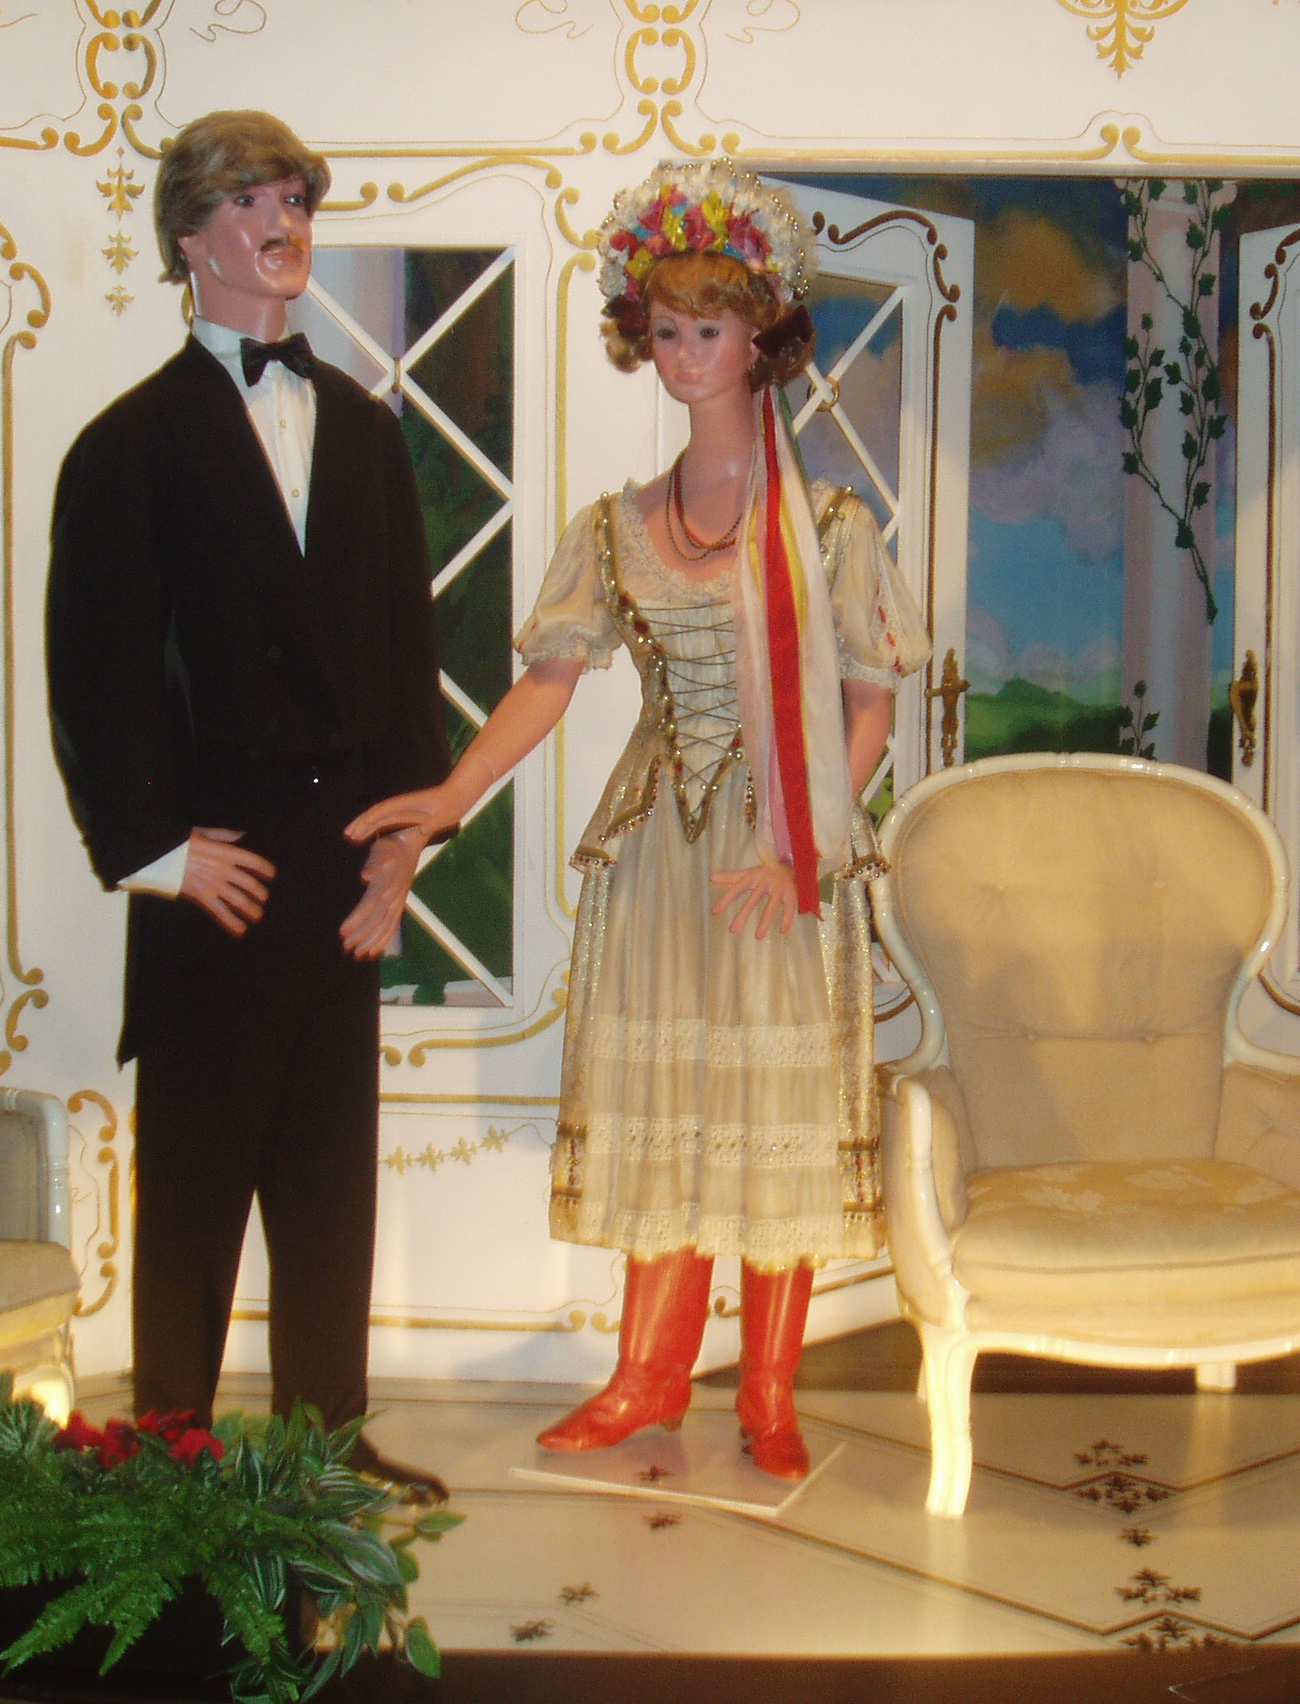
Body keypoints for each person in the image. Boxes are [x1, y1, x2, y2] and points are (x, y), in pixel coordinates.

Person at [348, 160, 929, 1481]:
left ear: (759, 339)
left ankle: (768, 1391)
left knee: (774, 1101)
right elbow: (546, 685)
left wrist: (801, 849)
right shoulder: (615, 527)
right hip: (663, 850)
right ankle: (646, 1376)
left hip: (780, 851)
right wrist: (447, 800)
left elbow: (870, 706)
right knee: (667, 1103)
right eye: (664, 331)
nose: (681, 356)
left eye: (706, 329)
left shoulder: (827, 524)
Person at [45, 111, 451, 1498]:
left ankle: (327, 1446)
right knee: (198, 1185)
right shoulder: (128, 446)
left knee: (332, 1181)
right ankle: (167, 1454)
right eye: (251, 202)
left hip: (341, 867)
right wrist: (159, 853)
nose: (284, 223)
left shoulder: (369, 434)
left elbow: (407, 654)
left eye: (295, 201)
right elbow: (94, 671)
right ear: (189, 238)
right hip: (216, 871)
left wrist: (404, 847)